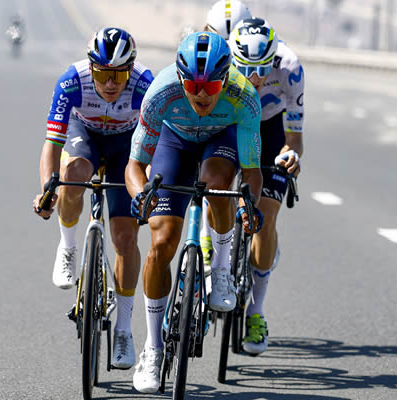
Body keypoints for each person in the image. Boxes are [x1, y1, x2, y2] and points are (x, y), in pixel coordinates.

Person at [124, 32, 263, 393]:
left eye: (211, 85)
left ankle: (221, 270)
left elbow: (251, 172)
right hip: (175, 141)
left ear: (226, 78)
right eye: (193, 85)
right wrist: (140, 195)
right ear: (180, 78)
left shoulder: (244, 96)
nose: (202, 94)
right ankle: (153, 347)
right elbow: (134, 166)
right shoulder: (161, 92)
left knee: (217, 183)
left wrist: (248, 204)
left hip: (221, 139)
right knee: (162, 241)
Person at [32, 27, 154, 369]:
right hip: (83, 135)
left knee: (125, 238)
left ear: (130, 69)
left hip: (126, 145)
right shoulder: (72, 81)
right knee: (73, 174)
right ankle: (68, 246)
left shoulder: (145, 84)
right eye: (102, 74)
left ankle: (124, 330)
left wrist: (146, 190)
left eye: (119, 75)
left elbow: (155, 147)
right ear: (91, 68)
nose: (111, 83)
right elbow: (52, 144)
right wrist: (47, 191)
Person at [209, 17, 305, 356]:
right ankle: (208, 252)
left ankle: (256, 312)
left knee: (265, 219)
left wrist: (289, 156)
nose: (254, 77)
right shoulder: (220, 62)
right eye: (245, 69)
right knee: (214, 186)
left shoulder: (291, 68)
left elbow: (294, 136)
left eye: (262, 69)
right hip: (231, 124)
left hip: (270, 129)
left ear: (274, 58)